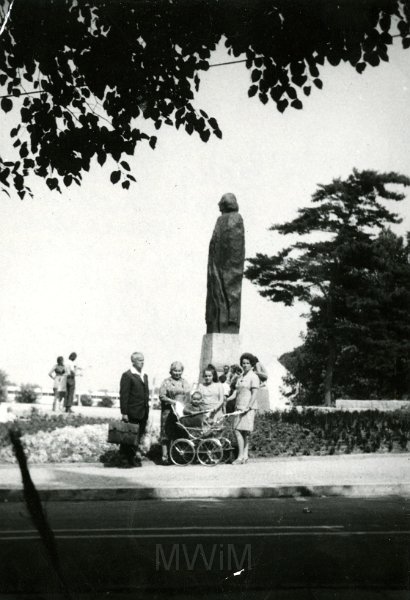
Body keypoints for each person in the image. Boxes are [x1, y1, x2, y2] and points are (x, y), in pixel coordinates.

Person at [227, 352, 259, 465]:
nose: (245, 365)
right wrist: (227, 399)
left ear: (252, 365)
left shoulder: (254, 377)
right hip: (239, 407)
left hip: (248, 408)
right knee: (243, 433)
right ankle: (245, 456)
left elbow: (255, 393)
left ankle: (240, 457)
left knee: (238, 430)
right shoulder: (240, 377)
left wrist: (249, 406)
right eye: (243, 363)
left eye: (247, 363)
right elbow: (236, 393)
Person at [119, 352, 150, 467]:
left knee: (138, 436)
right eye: (139, 360)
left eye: (143, 360)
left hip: (143, 412)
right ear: (133, 361)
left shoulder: (144, 375)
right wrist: (124, 412)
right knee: (128, 436)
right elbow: (124, 395)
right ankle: (124, 459)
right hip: (132, 412)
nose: (142, 362)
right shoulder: (128, 375)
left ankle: (132, 458)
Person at [158, 361, 191, 464]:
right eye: (175, 370)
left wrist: (184, 406)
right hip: (168, 411)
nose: (177, 373)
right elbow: (162, 396)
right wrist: (174, 403)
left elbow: (188, 396)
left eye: (179, 370)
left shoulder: (184, 382)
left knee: (180, 432)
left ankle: (177, 456)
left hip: (181, 412)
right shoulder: (166, 382)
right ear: (171, 371)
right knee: (166, 433)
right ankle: (165, 457)